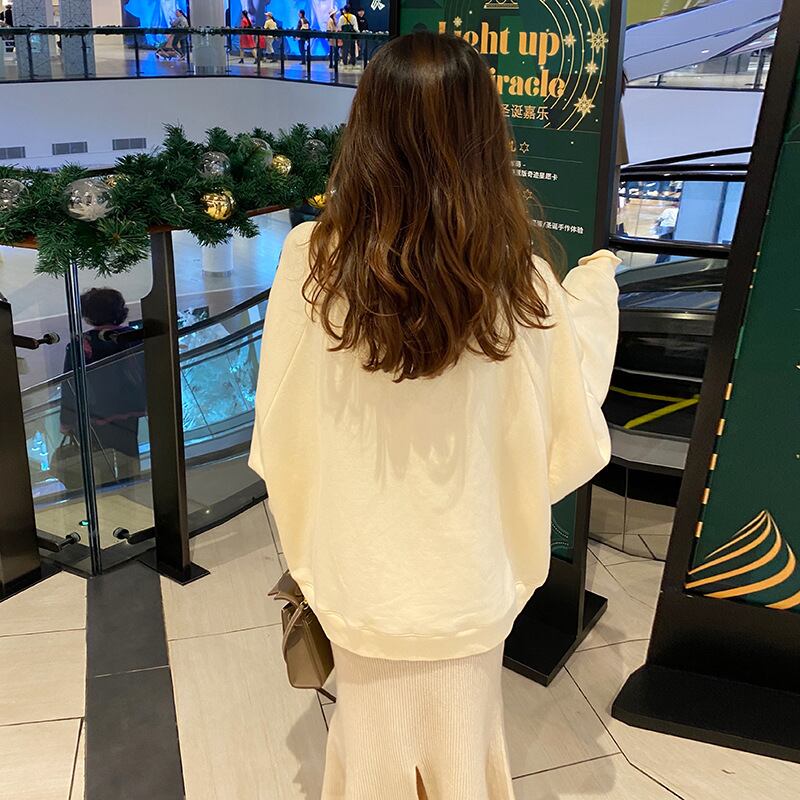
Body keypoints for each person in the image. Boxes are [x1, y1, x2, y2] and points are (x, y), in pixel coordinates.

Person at [249, 32, 619, 799]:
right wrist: (594, 295)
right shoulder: (521, 282)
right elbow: (567, 436)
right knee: (464, 754)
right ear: (485, 134)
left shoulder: (312, 261)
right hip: (467, 582)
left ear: (366, 128)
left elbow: (279, 423)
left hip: (360, 575)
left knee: (370, 754)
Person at [60, 288, 146, 485]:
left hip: (96, 414)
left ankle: (111, 494)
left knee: (102, 462)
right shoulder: (132, 337)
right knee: (129, 456)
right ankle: (133, 490)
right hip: (129, 410)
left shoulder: (82, 343)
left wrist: (66, 421)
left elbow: (69, 384)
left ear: (88, 315)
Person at [337, 4, 357, 69]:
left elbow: (339, 28)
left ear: (345, 10)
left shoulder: (341, 17)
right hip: (352, 35)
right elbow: (355, 27)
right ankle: (353, 62)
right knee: (352, 48)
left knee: (345, 49)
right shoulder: (353, 17)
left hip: (344, 35)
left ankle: (345, 61)